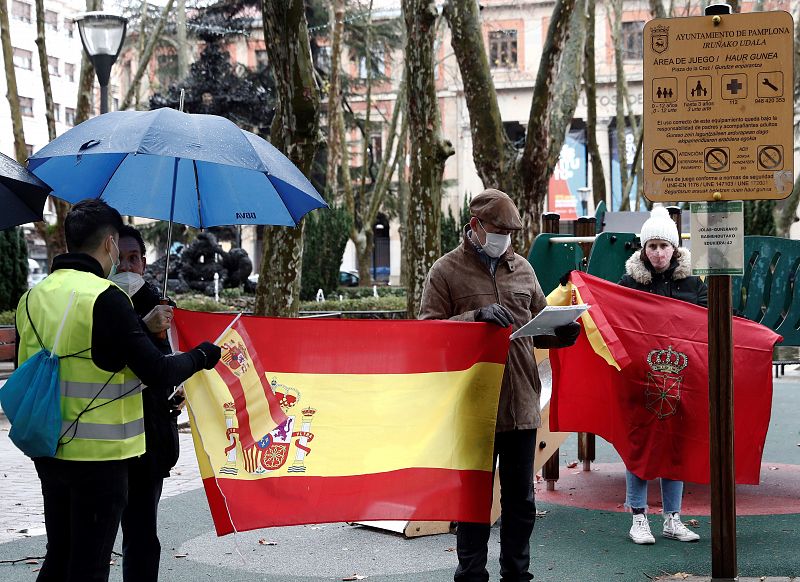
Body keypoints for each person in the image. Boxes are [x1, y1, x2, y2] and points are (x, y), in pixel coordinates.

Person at [16, 199, 221, 582]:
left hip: (47, 448)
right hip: (101, 458)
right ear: (110, 244)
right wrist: (203, 355)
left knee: (60, 553)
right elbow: (157, 370)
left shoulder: (33, 297)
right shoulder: (105, 298)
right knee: (90, 564)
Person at [419, 188, 580, 582]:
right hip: (472, 406)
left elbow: (537, 327)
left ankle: (517, 575)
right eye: (498, 229)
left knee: (521, 502)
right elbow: (426, 334)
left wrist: (563, 332)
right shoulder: (445, 270)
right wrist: (474, 317)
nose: (505, 238)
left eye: (511, 231)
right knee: (473, 502)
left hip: (521, 401)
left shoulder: (523, 269)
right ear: (475, 226)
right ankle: (471, 574)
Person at [618, 205, 707, 545]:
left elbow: (707, 320)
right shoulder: (628, 284)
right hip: (642, 378)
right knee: (639, 443)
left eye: (663, 246)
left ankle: (672, 518)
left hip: (681, 377)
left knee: (675, 446)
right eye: (651, 246)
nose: (657, 252)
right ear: (643, 249)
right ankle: (638, 518)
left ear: (674, 248)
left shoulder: (692, 283)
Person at [111, 224, 181, 582]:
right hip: (105, 441)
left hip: (151, 439)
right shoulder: (100, 303)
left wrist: (177, 393)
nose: (127, 266)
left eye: (134, 258)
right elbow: (109, 355)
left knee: (142, 533)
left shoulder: (163, 304)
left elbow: (168, 367)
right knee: (97, 539)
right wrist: (142, 325)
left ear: (145, 260)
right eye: (119, 258)